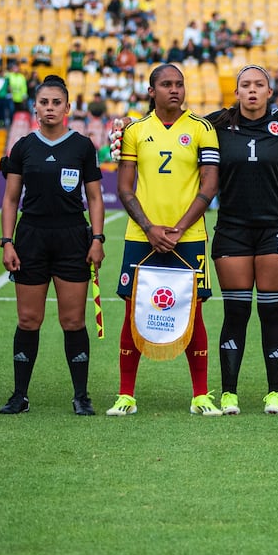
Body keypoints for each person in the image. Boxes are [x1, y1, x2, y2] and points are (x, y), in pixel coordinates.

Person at [107, 64, 220, 417]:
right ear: (151, 91)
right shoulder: (135, 130)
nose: (175, 90)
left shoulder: (202, 129)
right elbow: (124, 188)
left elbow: (210, 185)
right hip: (142, 237)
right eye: (167, 84)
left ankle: (200, 395)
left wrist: (179, 229)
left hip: (189, 237)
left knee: (194, 313)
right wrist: (149, 228)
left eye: (179, 84)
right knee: (132, 312)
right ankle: (126, 395)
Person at [0, 76, 104, 415]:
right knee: (29, 319)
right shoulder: (23, 147)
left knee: (73, 321)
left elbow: (95, 198)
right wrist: (7, 242)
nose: (50, 108)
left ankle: (81, 396)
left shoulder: (82, 146)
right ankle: (20, 395)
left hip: (72, 237)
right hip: (32, 237)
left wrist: (97, 238)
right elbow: (10, 199)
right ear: (35, 108)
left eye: (57, 103)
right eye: (44, 103)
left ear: (67, 107)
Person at [206, 66, 278, 415]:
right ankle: (229, 393)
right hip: (232, 229)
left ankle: (275, 393)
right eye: (246, 85)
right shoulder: (217, 123)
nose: (253, 90)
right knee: (236, 311)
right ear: (237, 92)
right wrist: (128, 123)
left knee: (272, 311)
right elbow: (177, 126)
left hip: (275, 228)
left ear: (270, 92)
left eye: (260, 85)